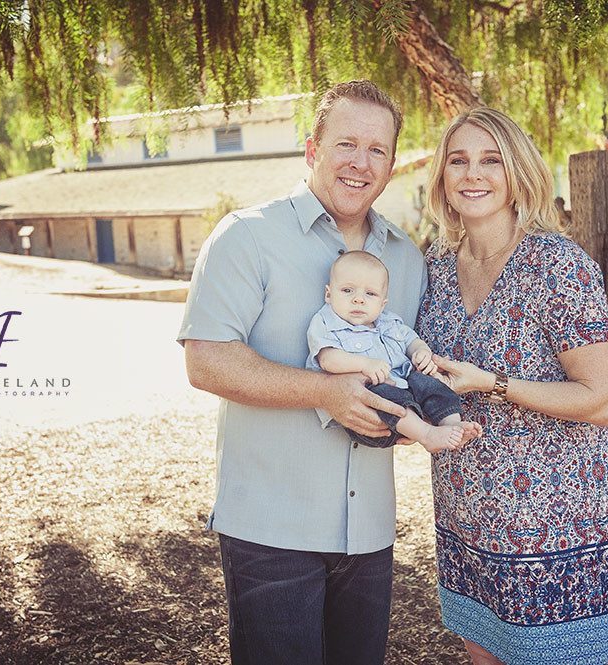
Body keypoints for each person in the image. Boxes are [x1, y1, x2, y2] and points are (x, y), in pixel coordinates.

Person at [177, 80, 426, 665]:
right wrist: (324, 391)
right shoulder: (247, 236)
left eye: (377, 150)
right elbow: (205, 358)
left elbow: (408, 368)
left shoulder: (408, 260)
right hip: (270, 530)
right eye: (346, 144)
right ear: (312, 149)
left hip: (369, 535)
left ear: (392, 164)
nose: (360, 163)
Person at [416, 107, 608, 665]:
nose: (472, 174)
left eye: (491, 160)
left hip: (553, 532)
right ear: (442, 177)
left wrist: (494, 383)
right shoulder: (432, 270)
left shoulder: (558, 265)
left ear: (518, 174)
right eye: (458, 160)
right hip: (466, 517)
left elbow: (601, 401)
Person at [307, 250, 482, 453]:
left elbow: (412, 341)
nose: (358, 299)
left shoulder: (389, 322)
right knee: (384, 395)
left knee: (429, 382)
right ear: (329, 294)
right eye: (347, 290)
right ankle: (426, 435)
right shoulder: (326, 322)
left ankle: (451, 423)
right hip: (369, 413)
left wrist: (421, 353)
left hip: (407, 394)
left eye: (370, 293)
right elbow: (328, 359)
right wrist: (364, 364)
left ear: (382, 304)